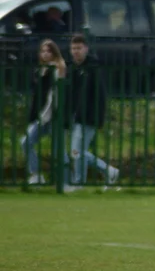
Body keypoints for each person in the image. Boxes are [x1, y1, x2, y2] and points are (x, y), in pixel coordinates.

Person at [67, 35, 119, 188]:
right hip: (76, 116)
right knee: (78, 151)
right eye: (73, 48)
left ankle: (78, 182)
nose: (76, 52)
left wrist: (98, 117)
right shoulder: (72, 68)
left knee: (76, 151)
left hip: (89, 116)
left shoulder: (93, 68)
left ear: (86, 49)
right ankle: (109, 171)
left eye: (79, 48)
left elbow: (100, 95)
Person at [21, 39, 67, 185]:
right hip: (39, 114)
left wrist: (44, 115)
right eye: (43, 51)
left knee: (58, 150)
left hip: (50, 116)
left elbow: (53, 95)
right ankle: (36, 173)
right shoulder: (41, 69)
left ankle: (65, 181)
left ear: (54, 53)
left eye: (49, 51)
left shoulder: (56, 68)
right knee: (26, 142)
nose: (45, 54)